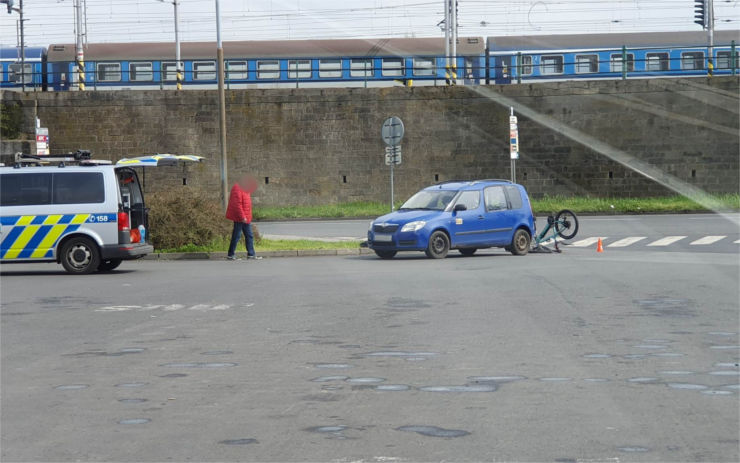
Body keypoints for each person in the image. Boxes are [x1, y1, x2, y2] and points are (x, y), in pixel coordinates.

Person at [226, 174, 262, 260]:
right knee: (236, 236)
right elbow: (237, 205)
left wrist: (247, 217)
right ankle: (230, 254)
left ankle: (251, 254)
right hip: (240, 217)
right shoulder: (237, 188)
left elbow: (247, 204)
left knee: (249, 235)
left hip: (245, 217)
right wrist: (242, 217)